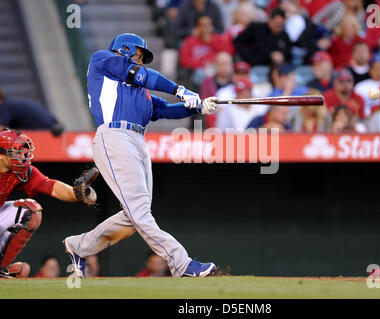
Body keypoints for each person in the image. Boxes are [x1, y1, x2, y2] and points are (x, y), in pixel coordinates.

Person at [63, 33, 218, 278]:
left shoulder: (139, 92)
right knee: (140, 213)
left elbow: (165, 109)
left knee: (133, 215)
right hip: (114, 135)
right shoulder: (103, 60)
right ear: (124, 49)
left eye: (143, 57)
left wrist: (198, 105)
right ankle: (181, 263)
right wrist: (181, 90)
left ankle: (79, 246)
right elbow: (141, 75)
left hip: (137, 140)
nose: (141, 60)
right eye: (139, 54)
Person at [0, 128, 93, 278]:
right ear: (2, 154)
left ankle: (1, 268)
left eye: (22, 151)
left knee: (31, 211)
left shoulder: (21, 172)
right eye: (16, 152)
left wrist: (76, 193)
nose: (22, 156)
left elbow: (50, 186)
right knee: (20, 270)